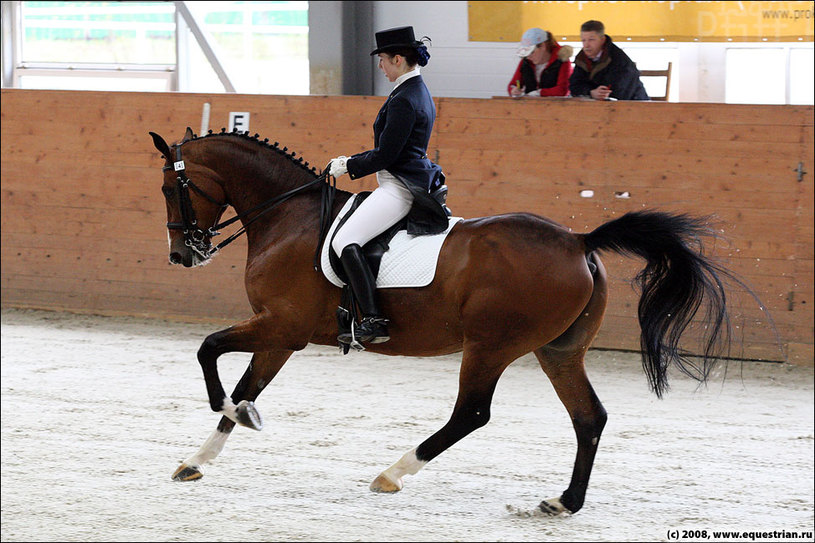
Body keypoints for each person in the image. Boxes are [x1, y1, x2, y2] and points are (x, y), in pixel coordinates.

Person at [327, 26, 447, 347]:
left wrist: (348, 164)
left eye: (382, 60)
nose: (380, 67)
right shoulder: (413, 90)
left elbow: (386, 155)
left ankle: (372, 318)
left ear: (397, 59)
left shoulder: (405, 99)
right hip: (404, 179)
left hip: (400, 187)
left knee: (345, 241)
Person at [569, 20, 649, 101]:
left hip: (634, 104)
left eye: (591, 40)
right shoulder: (581, 59)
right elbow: (574, 85)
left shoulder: (619, 60)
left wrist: (599, 94)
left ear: (602, 40)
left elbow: (620, 91)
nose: (586, 45)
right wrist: (590, 92)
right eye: (583, 40)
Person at [507, 27, 573, 97]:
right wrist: (513, 90)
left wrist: (539, 93)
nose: (528, 57)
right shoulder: (526, 61)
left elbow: (562, 90)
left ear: (543, 46)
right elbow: (513, 84)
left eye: (532, 52)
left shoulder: (562, 60)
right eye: (526, 53)